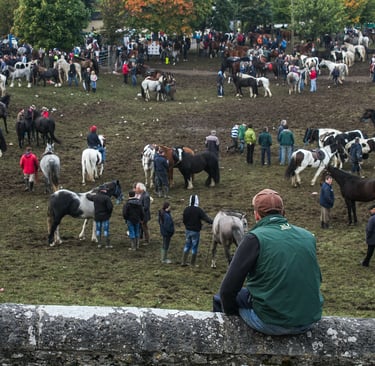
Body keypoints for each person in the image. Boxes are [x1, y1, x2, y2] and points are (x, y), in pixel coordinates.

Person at [214, 188, 324, 335]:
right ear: (283, 212)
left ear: (256, 215)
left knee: (219, 298)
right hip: (309, 320)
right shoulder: (308, 236)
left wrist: (233, 315)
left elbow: (227, 290)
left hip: (272, 322)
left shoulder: (254, 238)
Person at [181, 194, 213, 267]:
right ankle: (192, 263)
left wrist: (187, 226)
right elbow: (206, 218)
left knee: (187, 246)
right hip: (195, 231)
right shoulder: (198, 210)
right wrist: (213, 222)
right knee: (194, 247)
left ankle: (183, 262)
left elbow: (184, 220)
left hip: (188, 230)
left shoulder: (186, 209)